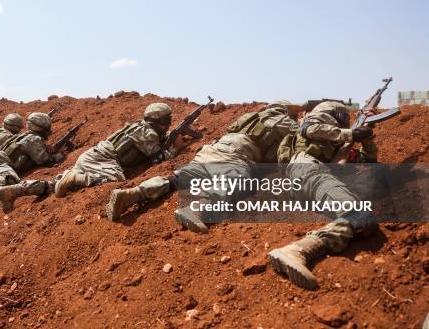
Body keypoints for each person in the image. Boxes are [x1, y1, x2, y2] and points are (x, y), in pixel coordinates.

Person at [105, 101, 299, 232]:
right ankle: (197, 210)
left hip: (210, 151)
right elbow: (281, 158)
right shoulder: (285, 126)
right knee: (236, 184)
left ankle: (136, 193)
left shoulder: (250, 117)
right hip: (236, 157)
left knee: (177, 179)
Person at [268, 101, 378, 289]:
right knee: (359, 214)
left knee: (361, 217)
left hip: (306, 180)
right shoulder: (317, 122)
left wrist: (366, 134)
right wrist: (351, 133)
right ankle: (298, 250)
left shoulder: (337, 144)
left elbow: (370, 161)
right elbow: (309, 128)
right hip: (309, 171)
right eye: (344, 117)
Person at [52, 103, 179, 199]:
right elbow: (159, 158)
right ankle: (73, 177)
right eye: (166, 121)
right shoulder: (146, 134)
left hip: (94, 158)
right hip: (101, 159)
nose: (168, 124)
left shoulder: (142, 128)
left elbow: (160, 139)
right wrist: (176, 148)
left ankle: (73, 176)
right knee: (115, 179)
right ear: (154, 122)